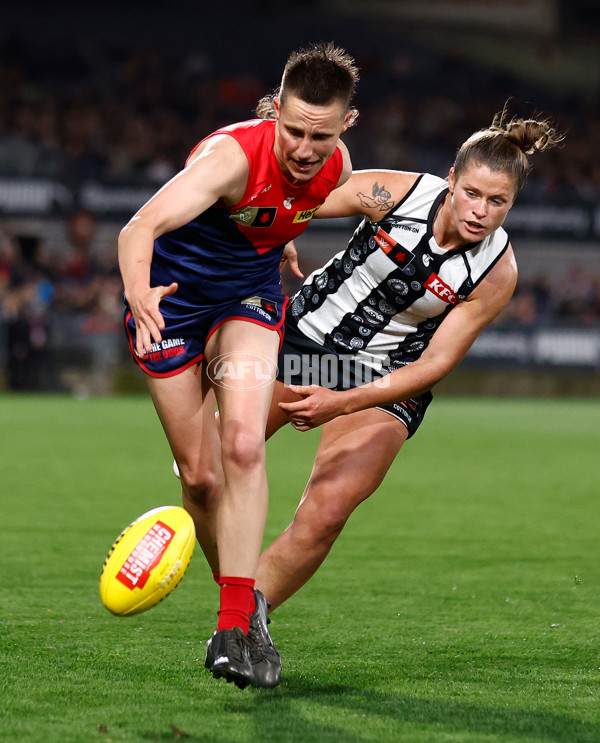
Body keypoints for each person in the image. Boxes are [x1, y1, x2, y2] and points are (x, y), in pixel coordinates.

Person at [248, 112, 564, 616]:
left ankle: (244, 623)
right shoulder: (396, 193)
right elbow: (301, 200)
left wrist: (343, 402)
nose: (481, 211)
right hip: (304, 341)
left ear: (513, 203)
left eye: (498, 201)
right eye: (473, 194)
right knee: (210, 467)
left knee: (328, 513)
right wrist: (281, 229)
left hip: (387, 376)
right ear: (452, 181)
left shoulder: (496, 273)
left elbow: (435, 365)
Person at [118, 42, 359, 689]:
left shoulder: (336, 165)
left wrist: (283, 243)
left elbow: (286, 205)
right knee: (200, 479)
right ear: (275, 111)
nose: (307, 149)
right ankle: (238, 602)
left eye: (322, 135)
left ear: (346, 125)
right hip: (169, 306)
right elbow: (137, 228)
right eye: (296, 131)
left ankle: (236, 623)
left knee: (245, 444)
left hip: (248, 302)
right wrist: (139, 295)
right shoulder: (230, 158)